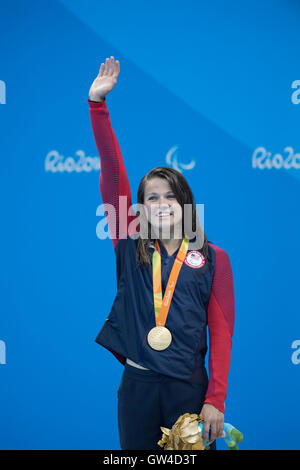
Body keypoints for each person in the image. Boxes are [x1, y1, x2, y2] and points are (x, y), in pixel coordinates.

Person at [87, 56, 235, 450]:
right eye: (152, 197)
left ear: (185, 202)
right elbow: (113, 171)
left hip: (188, 389)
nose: (162, 202)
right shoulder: (130, 241)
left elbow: (221, 334)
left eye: (171, 195)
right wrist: (98, 108)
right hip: (138, 386)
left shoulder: (214, 257)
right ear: (140, 208)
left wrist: (214, 399)